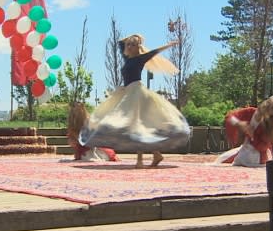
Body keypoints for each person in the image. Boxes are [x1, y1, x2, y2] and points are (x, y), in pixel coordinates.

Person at [79, 34, 190, 168]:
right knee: (133, 127)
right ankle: (156, 154)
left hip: (138, 94)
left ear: (137, 47)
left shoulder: (140, 59)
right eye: (129, 45)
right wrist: (134, 37)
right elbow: (120, 42)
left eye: (133, 45)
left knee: (137, 127)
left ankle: (140, 160)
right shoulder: (127, 58)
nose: (129, 46)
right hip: (127, 92)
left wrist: (169, 45)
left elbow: (155, 51)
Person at [216, 98, 273, 167]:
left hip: (259, 154)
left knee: (241, 159)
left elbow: (263, 146)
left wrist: (252, 135)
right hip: (246, 147)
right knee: (221, 159)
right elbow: (230, 117)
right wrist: (239, 123)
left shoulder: (268, 125)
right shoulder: (250, 112)